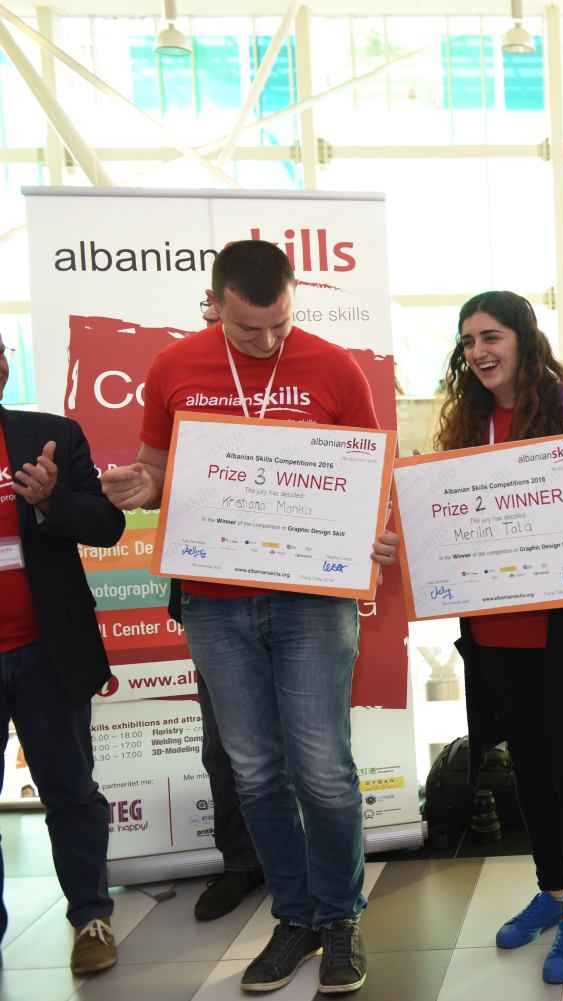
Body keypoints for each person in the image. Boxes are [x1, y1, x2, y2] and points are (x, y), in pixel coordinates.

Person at [100, 240, 398, 994]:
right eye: (246, 329)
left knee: (323, 770)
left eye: (279, 325)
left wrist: (379, 530)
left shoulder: (335, 367)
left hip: (313, 601)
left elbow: (369, 478)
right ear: (214, 303)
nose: (265, 343)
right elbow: (158, 470)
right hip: (214, 602)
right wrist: (141, 486)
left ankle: (340, 918)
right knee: (257, 772)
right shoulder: (174, 366)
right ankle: (294, 916)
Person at [438, 290, 563, 985]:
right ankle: (551, 890)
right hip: (493, 631)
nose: (478, 351)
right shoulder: (465, 423)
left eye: (490, 336)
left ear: (523, 337)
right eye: (468, 341)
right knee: (524, 763)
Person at [0, 333, 126, 975]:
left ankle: (91, 918)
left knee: (72, 791)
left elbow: (107, 526)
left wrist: (51, 499)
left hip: (47, 650)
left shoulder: (50, 435)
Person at [174, 289, 265, 922]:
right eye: (218, 321)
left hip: (297, 597)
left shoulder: (296, 387)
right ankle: (240, 862)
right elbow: (159, 472)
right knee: (224, 745)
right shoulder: (184, 383)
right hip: (210, 596)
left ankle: (301, 867)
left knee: (306, 749)